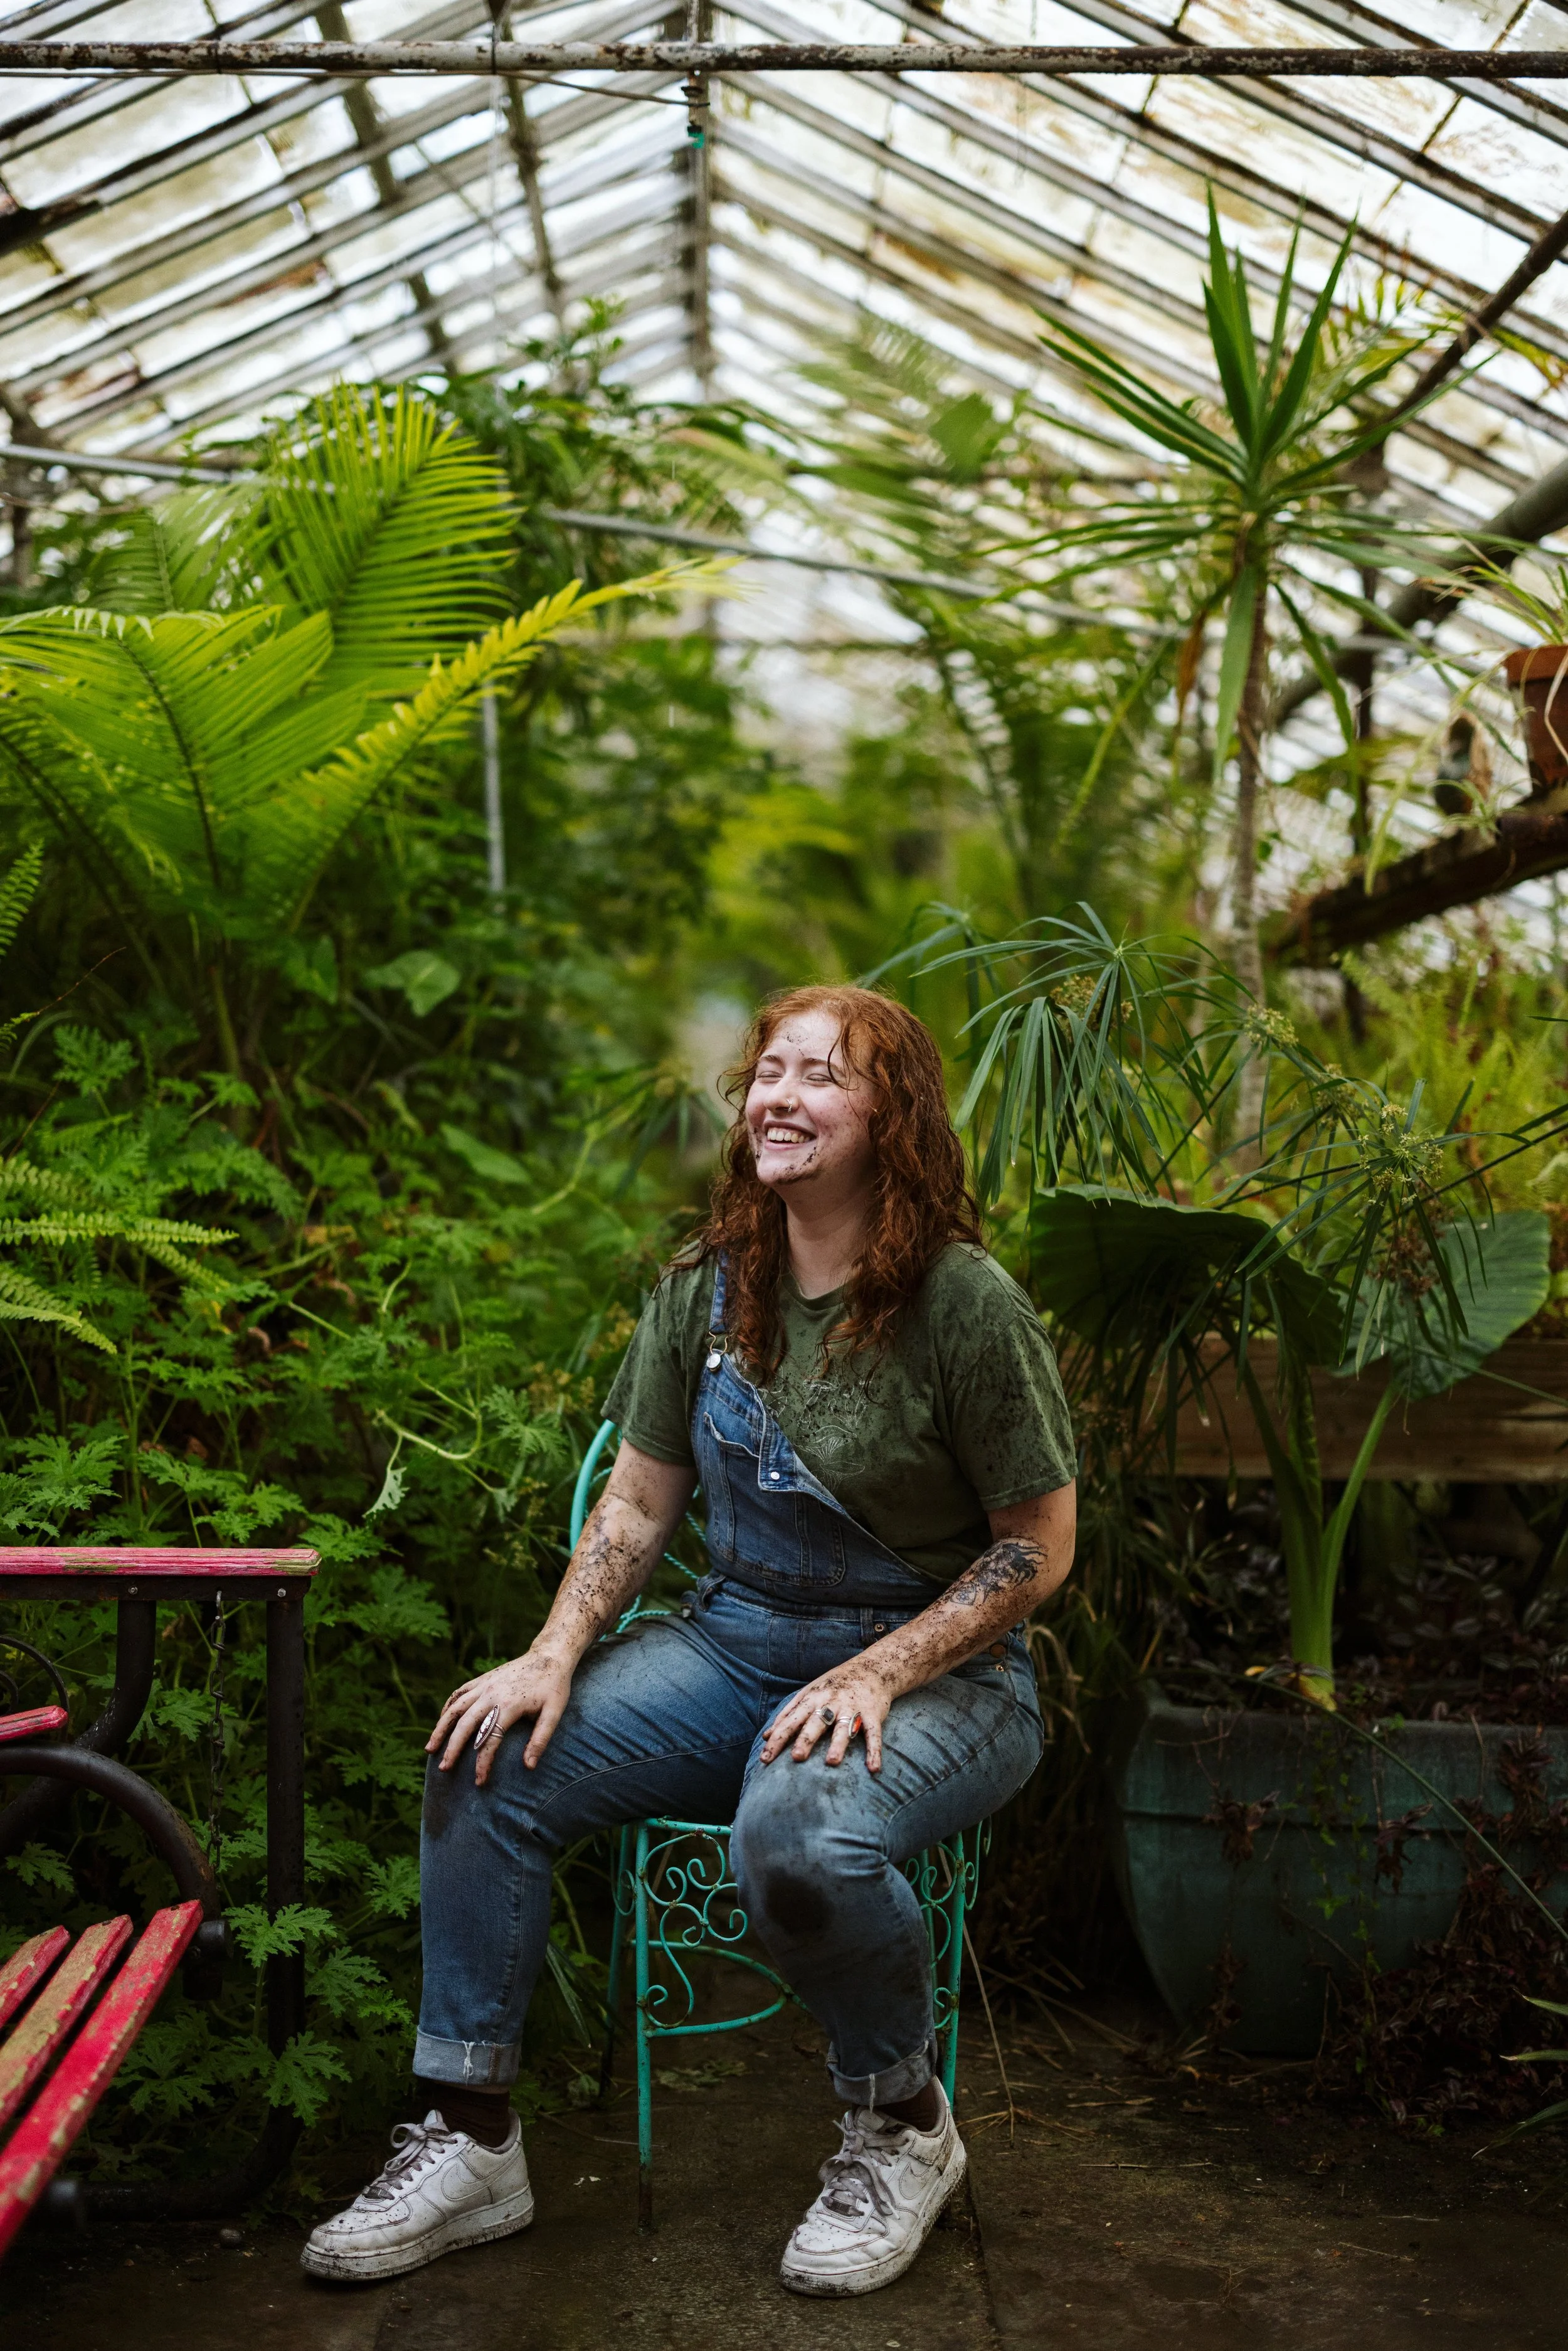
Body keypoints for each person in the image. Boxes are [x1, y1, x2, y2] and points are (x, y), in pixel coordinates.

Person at [302, 984, 1076, 2296]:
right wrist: (551, 1651)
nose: (777, 1094)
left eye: (820, 1074)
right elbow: (641, 1497)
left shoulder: (964, 1303)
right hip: (731, 1645)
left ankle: (901, 2126)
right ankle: (472, 2136)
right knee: (487, 1752)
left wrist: (879, 1666)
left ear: (893, 1116)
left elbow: (1034, 1549)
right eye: (766, 1068)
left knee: (796, 1827)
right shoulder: (708, 1287)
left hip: (945, 1676)